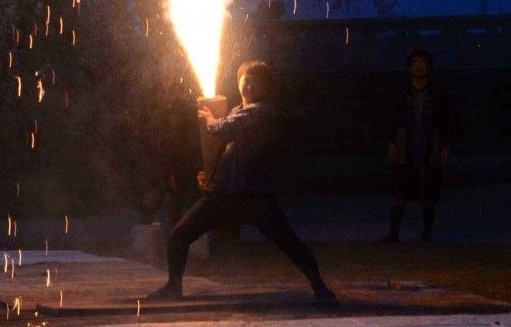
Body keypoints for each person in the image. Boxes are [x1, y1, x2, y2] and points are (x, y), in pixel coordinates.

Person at [147, 60, 337, 305]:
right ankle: (174, 287)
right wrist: (211, 173)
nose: (248, 86)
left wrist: (210, 120)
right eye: (244, 81)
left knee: (289, 242)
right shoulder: (238, 110)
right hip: (223, 194)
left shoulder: (263, 111)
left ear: (266, 87)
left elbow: (224, 130)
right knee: (179, 234)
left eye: (254, 82)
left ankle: (320, 287)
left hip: (253, 195)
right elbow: (223, 147)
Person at [382, 47, 457, 243]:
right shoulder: (400, 91)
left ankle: (427, 233)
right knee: (400, 188)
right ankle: (394, 233)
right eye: (416, 63)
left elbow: (448, 120)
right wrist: (390, 143)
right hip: (404, 145)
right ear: (410, 67)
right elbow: (389, 118)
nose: (419, 66)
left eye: (423, 63)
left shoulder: (438, 93)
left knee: (430, 189)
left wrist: (446, 146)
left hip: (430, 145)